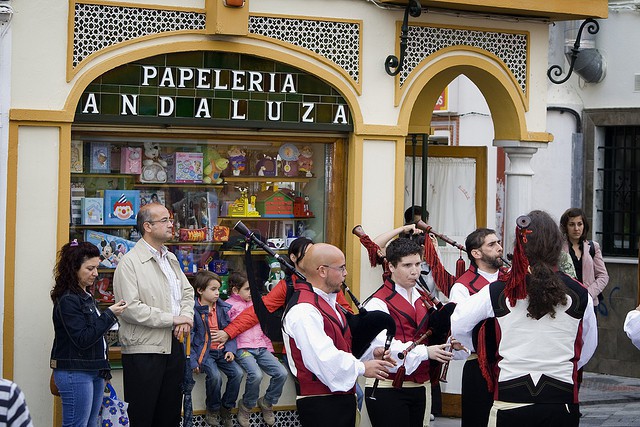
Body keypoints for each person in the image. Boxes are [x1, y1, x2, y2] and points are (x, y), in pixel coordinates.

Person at [451, 210, 598, 427]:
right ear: (557, 245)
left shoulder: (497, 291)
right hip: (560, 401)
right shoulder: (579, 293)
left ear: (519, 246)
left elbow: (458, 323)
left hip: (511, 399)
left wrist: (484, 350)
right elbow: (588, 346)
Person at [282, 243, 394, 427]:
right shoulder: (304, 310)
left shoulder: (328, 302)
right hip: (320, 404)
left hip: (340, 401)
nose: (345, 273)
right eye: (341, 268)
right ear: (322, 271)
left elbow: (343, 346)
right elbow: (323, 358)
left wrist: (371, 354)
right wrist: (362, 367)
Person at [113, 203, 194, 427]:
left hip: (174, 345)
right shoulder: (129, 263)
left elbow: (187, 293)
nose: (171, 225)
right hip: (144, 351)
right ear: (147, 226)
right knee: (142, 416)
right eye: (165, 220)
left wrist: (185, 318)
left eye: (171, 220)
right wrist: (173, 319)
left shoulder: (171, 259)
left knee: (168, 417)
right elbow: (129, 308)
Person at [363, 238, 457, 427]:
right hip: (388, 387)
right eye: (407, 265)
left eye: (418, 264)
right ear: (390, 266)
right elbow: (384, 346)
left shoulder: (424, 299)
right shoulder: (377, 302)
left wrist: (451, 341)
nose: (415, 271)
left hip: (422, 386)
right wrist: (425, 352)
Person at [50, 240, 127, 427]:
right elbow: (83, 339)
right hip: (76, 371)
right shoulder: (68, 299)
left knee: (91, 424)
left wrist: (104, 369)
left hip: (94, 370)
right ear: (73, 269)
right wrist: (109, 315)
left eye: (97, 267)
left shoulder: (86, 296)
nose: (96, 273)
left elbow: (95, 337)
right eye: (90, 268)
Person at [448, 228, 503, 427]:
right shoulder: (462, 287)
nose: (499, 248)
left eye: (498, 242)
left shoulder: (511, 278)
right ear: (476, 253)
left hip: (509, 364)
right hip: (478, 364)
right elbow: (459, 329)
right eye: (492, 244)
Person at [227, 271, 288, 427]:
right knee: (256, 375)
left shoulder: (258, 304)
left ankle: (267, 402)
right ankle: (246, 406)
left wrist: (270, 350)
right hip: (243, 348)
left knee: (281, 373)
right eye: (248, 289)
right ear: (235, 290)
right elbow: (226, 330)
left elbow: (264, 329)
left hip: (261, 347)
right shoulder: (228, 306)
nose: (251, 293)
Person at [191, 270, 243, 427]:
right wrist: (194, 361)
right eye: (213, 289)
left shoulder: (221, 308)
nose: (217, 293)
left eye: (218, 289)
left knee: (238, 373)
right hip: (205, 354)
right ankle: (212, 409)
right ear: (200, 290)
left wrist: (229, 350)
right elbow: (189, 338)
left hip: (221, 351)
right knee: (215, 377)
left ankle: (226, 407)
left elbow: (229, 331)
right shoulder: (193, 310)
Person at [559, 207, 609, 308]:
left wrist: (588, 294)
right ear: (565, 227)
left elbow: (603, 276)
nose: (576, 229)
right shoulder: (558, 249)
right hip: (566, 303)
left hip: (589, 303)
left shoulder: (593, 247)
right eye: (572, 224)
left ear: (584, 225)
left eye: (579, 224)